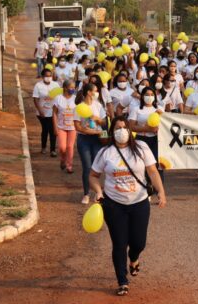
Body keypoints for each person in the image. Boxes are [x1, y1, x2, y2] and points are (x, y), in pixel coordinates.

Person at [89, 116, 166, 297]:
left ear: (129, 130)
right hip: (114, 204)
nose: (121, 131)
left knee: (139, 242)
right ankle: (122, 281)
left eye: (124, 127)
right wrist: (98, 191)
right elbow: (93, 175)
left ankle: (134, 258)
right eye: (117, 128)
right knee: (119, 243)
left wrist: (161, 192)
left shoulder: (141, 148)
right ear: (112, 131)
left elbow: (152, 171)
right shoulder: (105, 153)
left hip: (139, 202)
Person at [74, 83, 108, 204]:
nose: (97, 92)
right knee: (87, 167)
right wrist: (88, 130)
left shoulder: (98, 106)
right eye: (95, 90)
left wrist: (97, 119)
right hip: (84, 139)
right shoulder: (79, 107)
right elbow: (77, 126)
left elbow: (104, 123)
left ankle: (97, 192)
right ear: (89, 92)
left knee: (97, 167)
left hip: (98, 139)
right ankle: (86, 194)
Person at [128, 87, 166, 178]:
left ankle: (158, 189)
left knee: (157, 164)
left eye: (152, 95)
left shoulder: (159, 109)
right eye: (146, 95)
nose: (149, 97)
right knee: (142, 164)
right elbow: (131, 126)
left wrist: (162, 115)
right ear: (142, 96)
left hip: (157, 140)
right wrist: (147, 129)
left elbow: (166, 125)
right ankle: (146, 187)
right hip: (141, 139)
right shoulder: (136, 109)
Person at [32, 69, 60, 156]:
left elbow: (59, 97)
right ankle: (43, 147)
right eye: (46, 76)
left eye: (50, 76)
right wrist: (40, 110)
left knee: (52, 130)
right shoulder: (38, 85)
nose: (48, 78)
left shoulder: (56, 85)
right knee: (45, 129)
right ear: (43, 76)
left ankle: (52, 150)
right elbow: (35, 99)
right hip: (42, 113)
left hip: (53, 112)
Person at [52, 80, 77, 173]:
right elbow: (54, 113)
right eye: (71, 87)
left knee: (70, 147)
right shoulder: (58, 98)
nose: (73, 89)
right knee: (62, 147)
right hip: (61, 127)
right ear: (65, 88)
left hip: (73, 127)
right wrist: (55, 127)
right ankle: (63, 159)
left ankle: (69, 166)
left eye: (74, 88)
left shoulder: (76, 99)